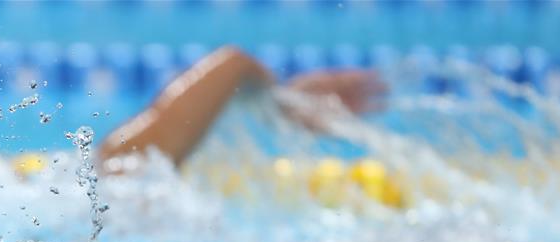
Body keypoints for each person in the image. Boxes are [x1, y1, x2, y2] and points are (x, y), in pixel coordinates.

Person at [97, 46, 388, 172]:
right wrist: (283, 102)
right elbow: (233, 62)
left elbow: (234, 64)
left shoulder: (113, 169)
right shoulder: (112, 168)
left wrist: (285, 101)